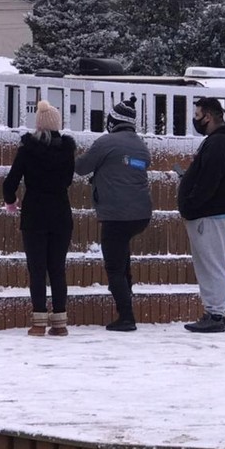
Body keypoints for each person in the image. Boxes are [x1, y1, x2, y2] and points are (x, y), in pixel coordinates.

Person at [74, 95, 152, 332]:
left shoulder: (106, 142)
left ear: (113, 120)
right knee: (123, 259)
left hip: (116, 214)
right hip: (141, 215)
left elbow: (81, 168)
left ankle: (127, 317)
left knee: (114, 266)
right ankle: (126, 307)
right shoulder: (141, 145)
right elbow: (137, 165)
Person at [3, 100, 76, 336]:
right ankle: (60, 323)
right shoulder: (67, 150)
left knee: (37, 269)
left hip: (35, 214)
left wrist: (11, 202)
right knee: (57, 268)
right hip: (61, 214)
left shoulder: (28, 150)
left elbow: (10, 182)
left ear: (38, 125)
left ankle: (38, 322)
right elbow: (67, 181)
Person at [178, 96, 225, 333]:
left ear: (208, 116)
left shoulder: (217, 143)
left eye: (197, 115)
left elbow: (209, 181)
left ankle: (215, 314)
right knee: (216, 264)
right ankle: (219, 310)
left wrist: (190, 205)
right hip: (220, 213)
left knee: (210, 265)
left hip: (210, 215)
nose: (196, 120)